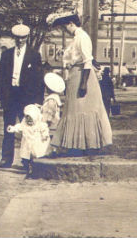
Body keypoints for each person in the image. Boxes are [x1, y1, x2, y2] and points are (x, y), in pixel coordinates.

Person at [48, 12, 113, 155]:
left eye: (65, 28)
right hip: (74, 75)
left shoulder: (82, 37)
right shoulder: (76, 38)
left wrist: (83, 84)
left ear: (71, 24)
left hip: (82, 77)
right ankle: (75, 144)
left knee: (84, 110)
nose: (65, 31)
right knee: (74, 110)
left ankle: (90, 144)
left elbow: (87, 61)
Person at [0, 24, 44, 168]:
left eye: (23, 38)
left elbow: (39, 80)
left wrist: (38, 101)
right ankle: (6, 159)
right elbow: (1, 78)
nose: (20, 41)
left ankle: (27, 160)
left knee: (27, 130)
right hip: (10, 96)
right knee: (8, 128)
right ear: (14, 38)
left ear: (27, 38)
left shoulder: (34, 55)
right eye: (17, 38)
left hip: (26, 98)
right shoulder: (7, 54)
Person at [6, 103, 50, 176]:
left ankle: (36, 168)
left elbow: (44, 129)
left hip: (36, 143)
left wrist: (45, 135)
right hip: (26, 143)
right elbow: (20, 127)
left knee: (37, 155)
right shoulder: (24, 123)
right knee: (25, 156)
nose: (29, 121)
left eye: (31, 119)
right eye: (27, 118)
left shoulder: (39, 123)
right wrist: (13, 128)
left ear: (35, 117)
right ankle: (26, 166)